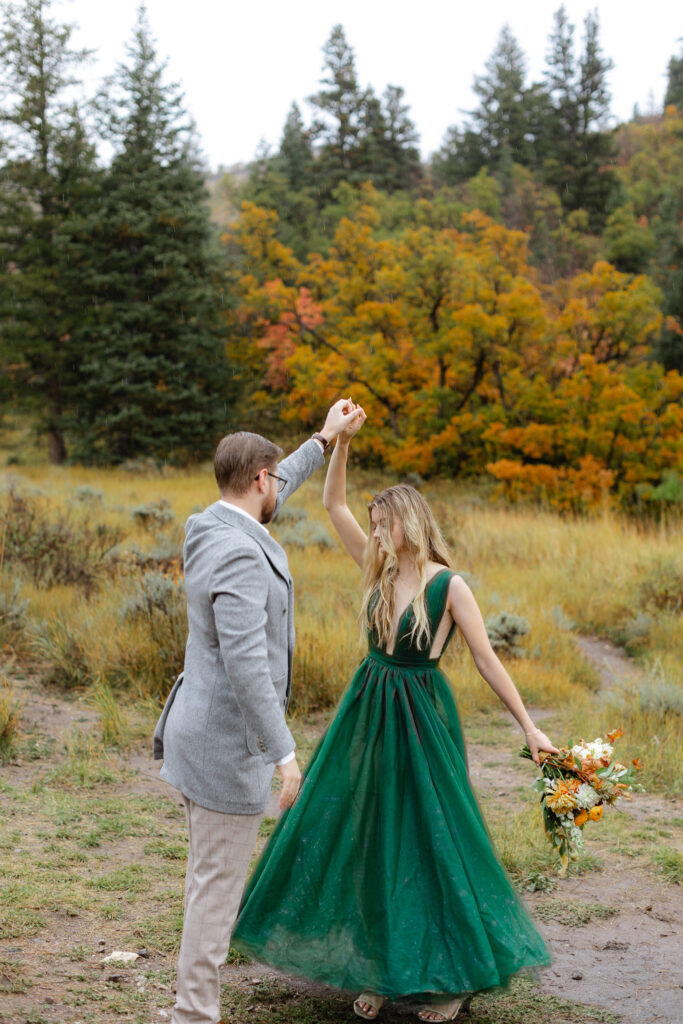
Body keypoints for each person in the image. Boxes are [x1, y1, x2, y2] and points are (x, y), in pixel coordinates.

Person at [231, 404, 558, 1022]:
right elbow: (334, 506)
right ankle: (379, 966)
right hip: (367, 709)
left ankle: (454, 979)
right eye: (374, 526)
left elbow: (488, 661)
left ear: (409, 522)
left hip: (420, 716)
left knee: (433, 838)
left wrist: (529, 726)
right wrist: (342, 445)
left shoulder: (448, 585)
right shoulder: (377, 568)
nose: (375, 535)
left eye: (384, 526)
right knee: (369, 833)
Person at [153, 398, 364, 1024]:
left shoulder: (209, 523)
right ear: (256, 481)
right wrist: (286, 754)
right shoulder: (242, 554)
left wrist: (324, 440)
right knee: (217, 890)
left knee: (206, 879)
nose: (280, 487)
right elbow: (247, 667)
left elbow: (277, 485)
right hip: (224, 746)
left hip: (196, 731)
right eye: (275, 478)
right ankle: (193, 1015)